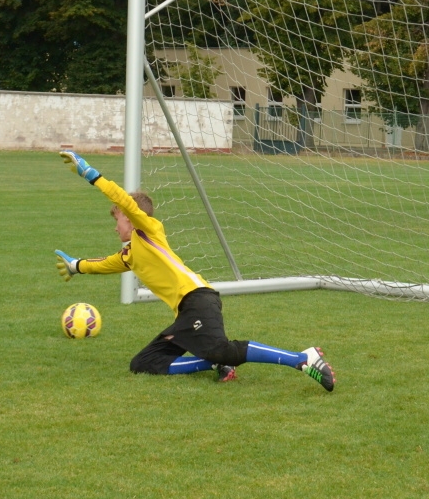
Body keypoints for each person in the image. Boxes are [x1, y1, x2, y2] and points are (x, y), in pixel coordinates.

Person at [54, 151, 335, 392]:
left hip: (197, 299)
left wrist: (91, 175)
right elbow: (103, 264)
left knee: (222, 349)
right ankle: (215, 363)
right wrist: (75, 266)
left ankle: (301, 359)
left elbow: (125, 201)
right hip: (186, 313)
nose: (116, 227)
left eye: (118, 219)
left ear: (131, 217)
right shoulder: (130, 255)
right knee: (143, 363)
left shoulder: (148, 230)